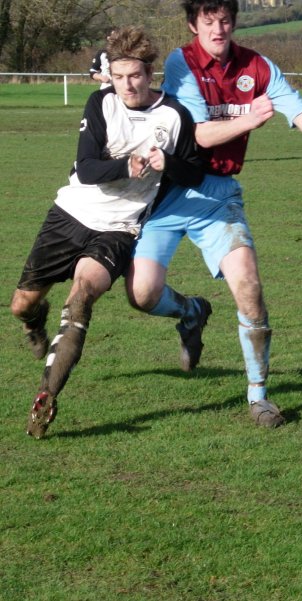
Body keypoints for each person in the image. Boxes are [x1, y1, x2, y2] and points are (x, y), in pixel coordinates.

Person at [127, 0, 302, 428]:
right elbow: (199, 134)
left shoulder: (258, 67)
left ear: (234, 23)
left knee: (249, 287)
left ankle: (259, 397)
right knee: (143, 295)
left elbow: (301, 118)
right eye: (209, 22)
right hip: (168, 190)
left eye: (225, 20)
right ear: (194, 25)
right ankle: (190, 312)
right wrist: (250, 119)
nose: (218, 29)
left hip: (218, 195)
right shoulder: (181, 62)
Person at [11, 26, 204, 439]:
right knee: (20, 305)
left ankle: (46, 398)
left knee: (81, 300)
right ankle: (34, 322)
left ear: (150, 72)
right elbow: (86, 167)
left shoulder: (174, 116)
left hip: (118, 229)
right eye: (118, 76)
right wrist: (127, 165)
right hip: (70, 215)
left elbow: (194, 173)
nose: (126, 85)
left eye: (134, 75)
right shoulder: (101, 103)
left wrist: (167, 162)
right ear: (110, 75)